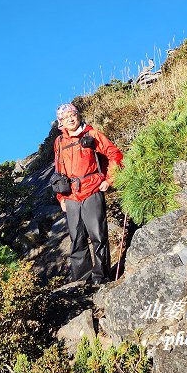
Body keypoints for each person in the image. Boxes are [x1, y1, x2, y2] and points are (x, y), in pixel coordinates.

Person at [53, 103, 123, 284]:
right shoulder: (59, 142)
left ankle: (101, 277)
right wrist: (61, 197)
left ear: (78, 115)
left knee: (98, 236)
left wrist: (109, 180)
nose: (70, 118)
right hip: (70, 196)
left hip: (92, 190)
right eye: (65, 116)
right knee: (77, 240)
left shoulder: (92, 134)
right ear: (60, 122)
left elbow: (114, 154)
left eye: (73, 114)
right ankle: (81, 282)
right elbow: (58, 171)